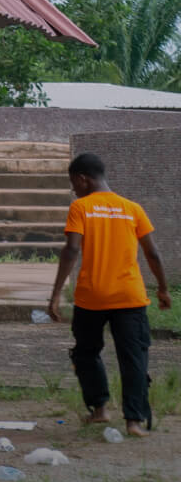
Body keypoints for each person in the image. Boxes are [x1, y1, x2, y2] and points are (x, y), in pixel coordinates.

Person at [47, 152, 170, 436]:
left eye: (73, 183)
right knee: (134, 358)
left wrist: (55, 294)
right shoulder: (132, 208)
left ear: (83, 179)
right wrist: (163, 289)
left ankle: (100, 409)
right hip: (130, 297)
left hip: (92, 297)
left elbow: (71, 250)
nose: (74, 189)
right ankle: (134, 422)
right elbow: (152, 253)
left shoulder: (81, 207)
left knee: (86, 353)